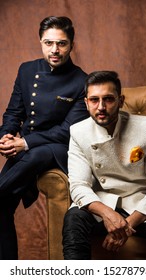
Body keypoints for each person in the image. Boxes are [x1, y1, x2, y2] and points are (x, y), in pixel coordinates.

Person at [0, 16, 89, 260]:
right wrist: (6, 136)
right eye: (48, 43)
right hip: (24, 150)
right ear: (40, 42)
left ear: (72, 45)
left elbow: (68, 130)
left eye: (61, 43)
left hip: (60, 150)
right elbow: (13, 112)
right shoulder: (27, 69)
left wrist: (25, 142)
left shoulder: (83, 81)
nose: (55, 50)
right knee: (3, 206)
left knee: (40, 151)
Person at [62, 70, 146, 260]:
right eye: (94, 100)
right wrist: (107, 214)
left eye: (109, 99)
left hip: (140, 201)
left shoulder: (145, 128)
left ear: (120, 101)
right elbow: (79, 186)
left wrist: (126, 226)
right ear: (86, 103)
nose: (101, 107)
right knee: (73, 220)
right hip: (102, 201)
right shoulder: (78, 132)